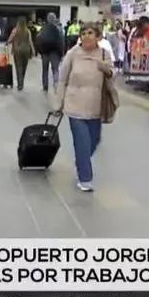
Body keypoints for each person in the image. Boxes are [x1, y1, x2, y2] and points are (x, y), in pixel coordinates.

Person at [54, 22, 113, 192]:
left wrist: (105, 69)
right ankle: (85, 178)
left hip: (96, 106)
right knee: (82, 142)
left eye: (90, 33)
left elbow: (111, 74)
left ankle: (81, 161)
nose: (86, 36)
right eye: (83, 33)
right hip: (75, 105)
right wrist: (59, 102)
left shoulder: (104, 53)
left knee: (94, 141)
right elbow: (62, 79)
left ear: (98, 37)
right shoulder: (72, 53)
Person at [37, 13, 65, 93]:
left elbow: (38, 39)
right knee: (55, 69)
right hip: (55, 52)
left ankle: (45, 87)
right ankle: (56, 85)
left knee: (45, 70)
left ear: (47, 19)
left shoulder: (43, 28)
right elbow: (61, 41)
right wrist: (62, 53)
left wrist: (40, 51)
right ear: (55, 19)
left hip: (45, 52)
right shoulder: (59, 28)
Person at [7, 18, 36, 91]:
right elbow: (30, 41)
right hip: (26, 50)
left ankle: (20, 84)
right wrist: (33, 50)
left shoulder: (15, 30)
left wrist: (8, 42)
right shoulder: (28, 31)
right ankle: (21, 80)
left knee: (18, 67)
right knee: (24, 67)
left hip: (17, 51)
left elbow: (10, 39)